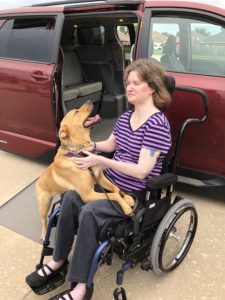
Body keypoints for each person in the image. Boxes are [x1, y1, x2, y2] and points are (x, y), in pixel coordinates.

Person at [26, 59, 172, 300]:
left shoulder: (156, 124)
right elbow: (110, 144)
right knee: (71, 196)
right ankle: (59, 260)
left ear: (153, 87)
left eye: (136, 83)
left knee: (90, 212)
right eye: (128, 83)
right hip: (108, 183)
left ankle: (81, 287)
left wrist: (101, 161)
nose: (129, 87)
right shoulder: (127, 117)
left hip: (130, 192)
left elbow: (141, 171)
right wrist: (88, 147)